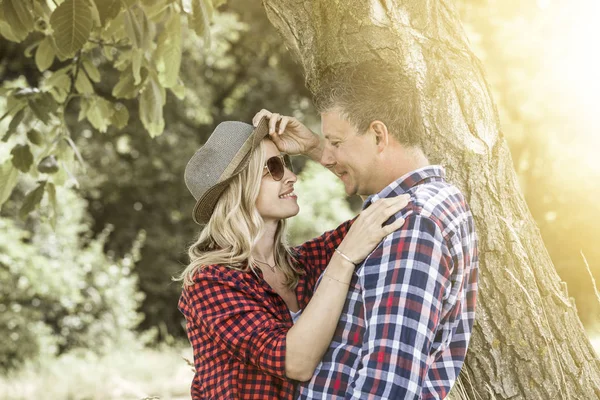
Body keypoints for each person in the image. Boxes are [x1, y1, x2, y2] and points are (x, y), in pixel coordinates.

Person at [253, 65, 479, 399]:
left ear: (378, 135)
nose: (326, 157)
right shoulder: (433, 200)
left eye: (336, 142)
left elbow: (388, 386)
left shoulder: (411, 226)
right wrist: (318, 146)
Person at [176, 117, 410, 400]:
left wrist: (314, 146)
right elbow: (295, 362)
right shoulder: (210, 283)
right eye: (274, 168)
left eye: (286, 163)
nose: (291, 176)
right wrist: (344, 259)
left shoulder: (306, 262)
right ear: (241, 187)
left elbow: (396, 195)